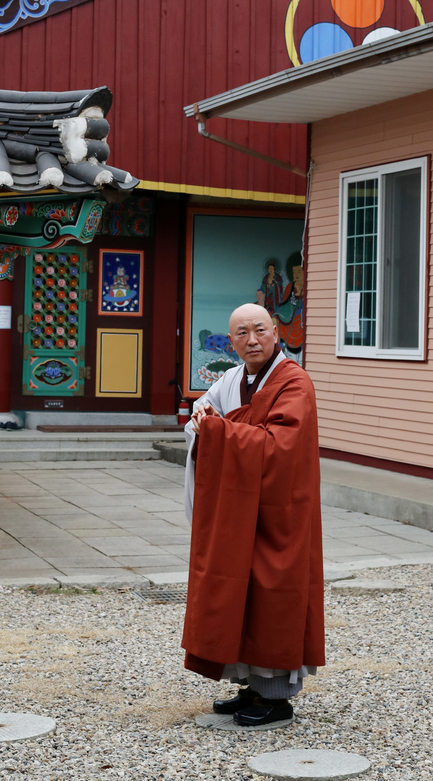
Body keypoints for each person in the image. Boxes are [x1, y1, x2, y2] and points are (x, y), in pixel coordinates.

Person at [182, 303, 324, 728]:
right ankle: (250, 684)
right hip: (240, 505)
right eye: (241, 333)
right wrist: (203, 419)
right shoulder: (231, 379)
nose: (252, 339)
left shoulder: (294, 382)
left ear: (276, 331)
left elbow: (280, 445)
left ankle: (277, 696)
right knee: (238, 592)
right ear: (231, 342)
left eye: (259, 330)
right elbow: (201, 417)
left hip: (280, 511)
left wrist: (220, 429)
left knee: (273, 591)